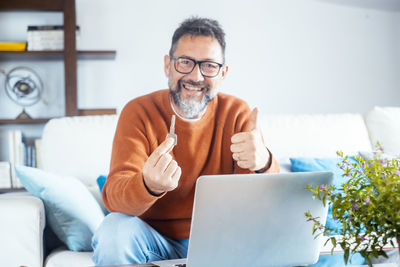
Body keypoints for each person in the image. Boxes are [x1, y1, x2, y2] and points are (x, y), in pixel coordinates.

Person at [92, 16, 280, 265]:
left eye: (209, 66)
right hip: (153, 239)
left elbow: (267, 201)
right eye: (185, 63)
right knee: (113, 230)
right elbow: (114, 199)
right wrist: (148, 185)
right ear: (167, 65)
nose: (196, 76)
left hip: (221, 240)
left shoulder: (238, 113)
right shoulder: (138, 112)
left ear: (223, 73)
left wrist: (264, 162)